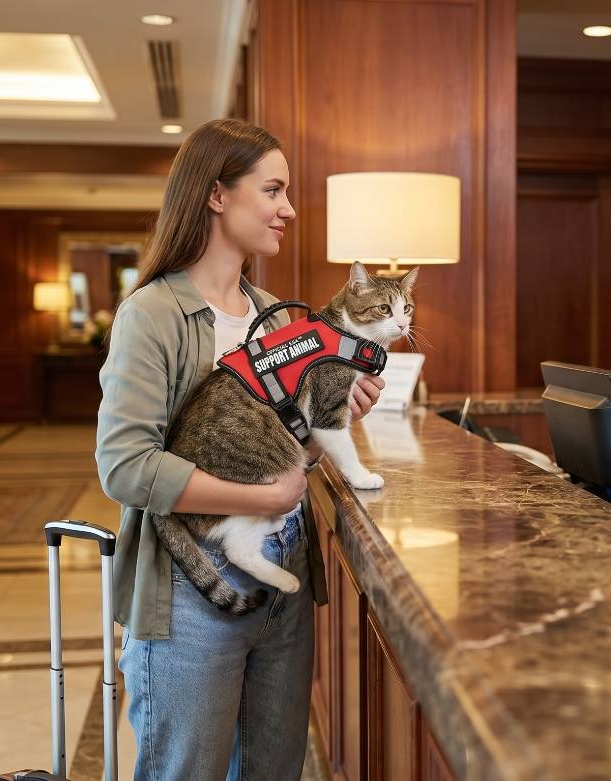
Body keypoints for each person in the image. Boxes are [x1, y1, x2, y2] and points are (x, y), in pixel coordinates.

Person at [95, 118, 384, 779]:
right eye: (273, 190)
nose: (289, 209)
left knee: (273, 769)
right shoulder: (152, 315)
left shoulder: (277, 315)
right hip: (190, 590)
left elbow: (288, 450)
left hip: (284, 574)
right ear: (216, 194)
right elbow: (124, 465)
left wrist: (336, 416)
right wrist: (262, 498)